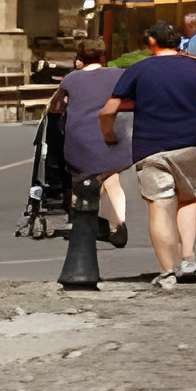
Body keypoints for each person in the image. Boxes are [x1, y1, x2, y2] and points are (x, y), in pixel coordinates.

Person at [103, 20, 196, 289]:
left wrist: (108, 135)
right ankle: (188, 258)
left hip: (150, 150)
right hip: (189, 147)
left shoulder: (138, 70)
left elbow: (108, 111)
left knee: (160, 207)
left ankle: (167, 272)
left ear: (152, 42)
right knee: (188, 201)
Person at [51, 42, 131, 247]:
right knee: (112, 179)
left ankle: (82, 224)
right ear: (103, 57)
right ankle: (118, 221)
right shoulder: (118, 74)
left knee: (80, 180)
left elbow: (55, 105)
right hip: (109, 135)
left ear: (79, 58)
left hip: (80, 137)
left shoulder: (71, 78)